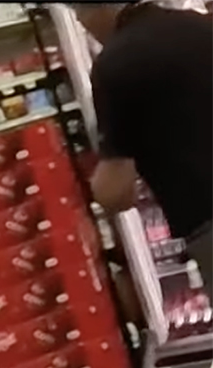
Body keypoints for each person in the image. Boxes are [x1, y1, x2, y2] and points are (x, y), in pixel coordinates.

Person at [72, 1, 213, 287]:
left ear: (95, 12)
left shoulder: (115, 64)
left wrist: (79, 194)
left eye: (80, 18)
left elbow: (116, 191)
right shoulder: (199, 25)